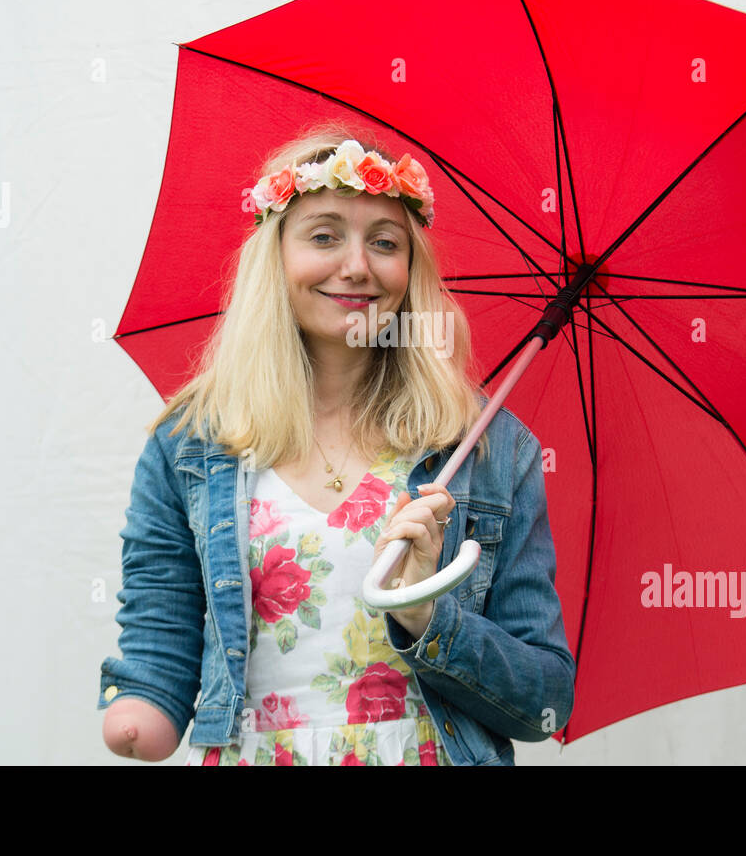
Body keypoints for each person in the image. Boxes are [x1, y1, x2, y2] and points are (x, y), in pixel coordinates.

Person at [97, 123, 575, 765]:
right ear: (277, 258)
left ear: (411, 270)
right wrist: (144, 704)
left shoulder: (487, 450)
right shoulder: (192, 442)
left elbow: (545, 701)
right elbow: (162, 628)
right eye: (324, 236)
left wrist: (427, 615)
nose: (356, 266)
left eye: (385, 242)